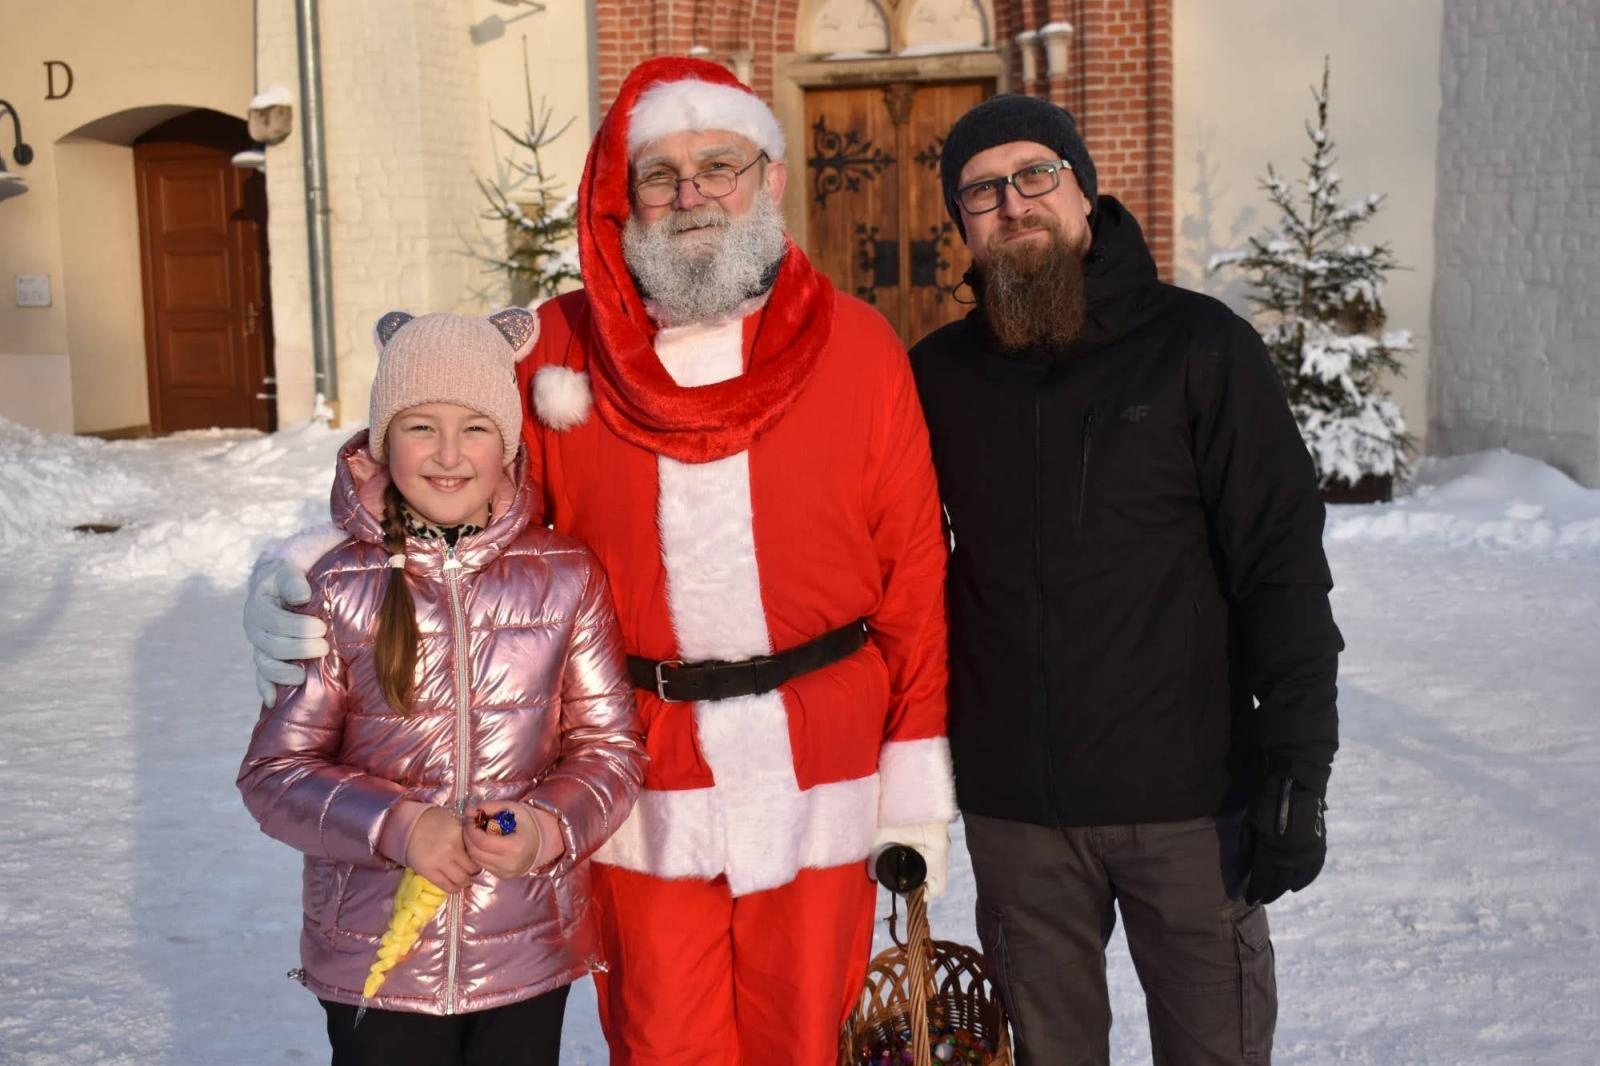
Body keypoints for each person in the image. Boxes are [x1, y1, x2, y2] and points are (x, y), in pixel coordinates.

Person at [244, 57, 955, 1064]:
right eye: (660, 175)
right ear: (622, 199)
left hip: (821, 761)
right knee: (662, 1041)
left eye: (719, 165)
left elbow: (914, 584)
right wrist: (295, 572)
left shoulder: (859, 346)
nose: (691, 194)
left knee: (805, 1039)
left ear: (771, 178)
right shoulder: (556, 353)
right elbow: (435, 465)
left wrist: (913, 786)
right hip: (639, 766)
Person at [909, 94, 1344, 1064]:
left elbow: (1279, 565)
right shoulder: (936, 376)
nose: (1011, 202)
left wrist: (1298, 767)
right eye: (981, 191)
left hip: (1188, 804)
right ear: (963, 228)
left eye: (1034, 175)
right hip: (1017, 812)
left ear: (1082, 189)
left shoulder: (1198, 347)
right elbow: (883, 562)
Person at [238, 307, 646, 1066]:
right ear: (383, 440)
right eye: (421, 426)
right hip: (376, 960)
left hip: (525, 953)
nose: (449, 455)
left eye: (477, 428)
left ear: (512, 443)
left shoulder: (565, 578)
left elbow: (611, 752)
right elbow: (273, 775)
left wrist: (548, 828)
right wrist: (399, 826)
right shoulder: (333, 586)